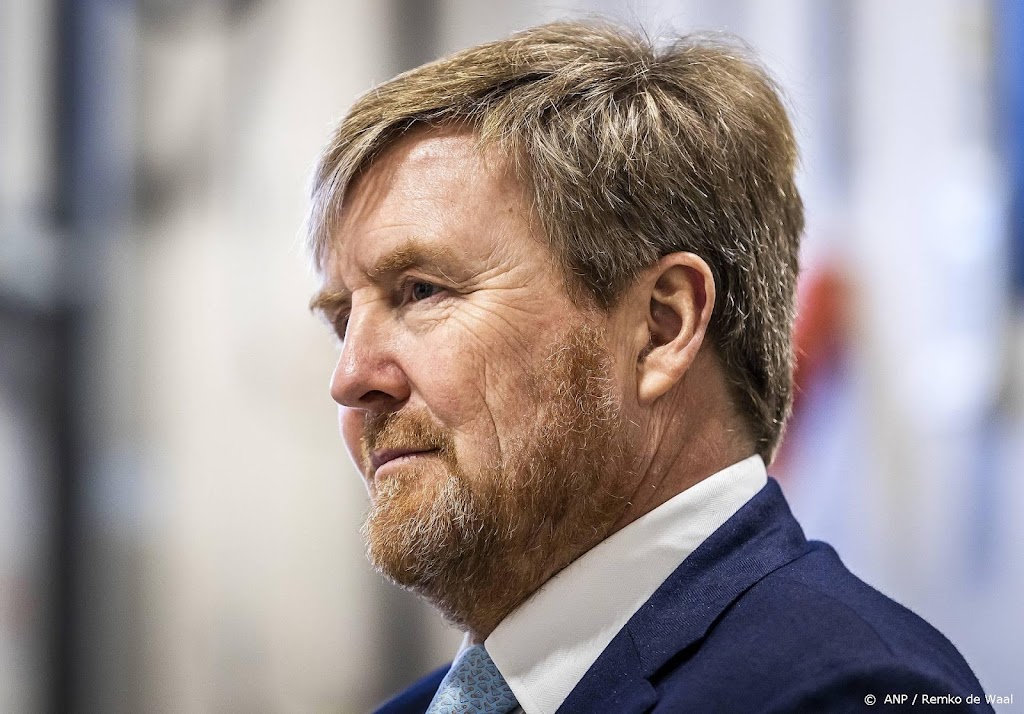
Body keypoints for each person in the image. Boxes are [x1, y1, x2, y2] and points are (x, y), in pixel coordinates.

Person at [305, 20, 989, 714]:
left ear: (661, 328)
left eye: (422, 291)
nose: (350, 378)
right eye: (341, 321)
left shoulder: (840, 692)